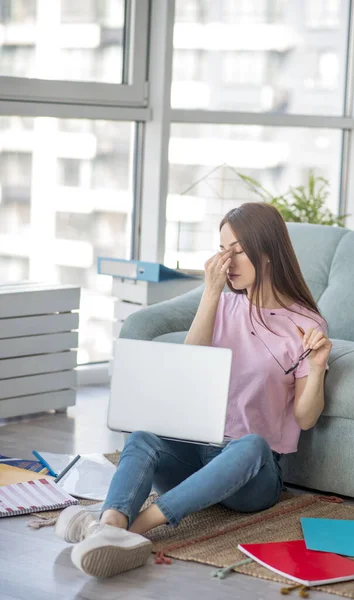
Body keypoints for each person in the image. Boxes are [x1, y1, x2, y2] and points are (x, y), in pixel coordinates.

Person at [55, 202, 332, 578]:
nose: (227, 260)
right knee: (142, 436)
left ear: (266, 252)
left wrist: (315, 370)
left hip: (253, 476)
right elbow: (191, 366)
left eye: (238, 250)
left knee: (252, 443)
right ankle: (111, 521)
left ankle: (129, 531)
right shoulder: (223, 303)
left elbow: (305, 416)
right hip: (197, 454)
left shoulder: (305, 323)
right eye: (223, 249)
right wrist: (211, 293)